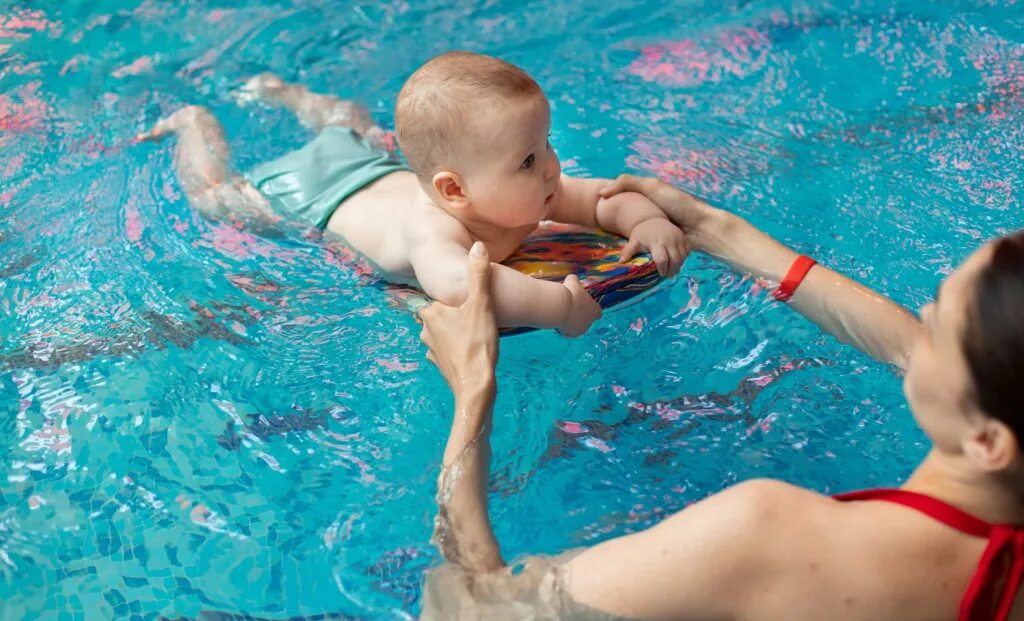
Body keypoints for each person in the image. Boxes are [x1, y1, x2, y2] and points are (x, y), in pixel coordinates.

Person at [417, 175, 1024, 621]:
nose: (919, 318)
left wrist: (473, 389)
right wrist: (712, 228)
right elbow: (902, 345)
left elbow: (472, 607)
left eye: (940, 325)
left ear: (989, 440)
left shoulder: (771, 537)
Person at [137, 52, 689, 336]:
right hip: (305, 197)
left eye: (545, 144)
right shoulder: (435, 230)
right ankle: (193, 124)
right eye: (528, 159)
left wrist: (645, 223)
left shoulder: (533, 191)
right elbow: (464, 285)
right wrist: (559, 308)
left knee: (345, 125)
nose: (551, 167)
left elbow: (603, 199)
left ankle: (287, 94)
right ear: (456, 191)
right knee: (213, 195)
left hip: (361, 160)